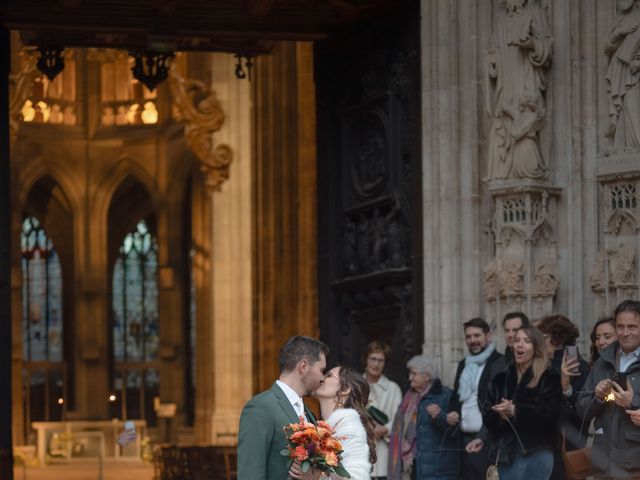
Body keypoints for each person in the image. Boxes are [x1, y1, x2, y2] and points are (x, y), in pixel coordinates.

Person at [237, 336, 329, 480]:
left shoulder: (308, 412)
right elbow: (250, 474)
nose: (323, 378)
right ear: (303, 366)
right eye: (322, 370)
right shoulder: (260, 408)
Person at [484, 0, 553, 181]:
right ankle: (507, 173)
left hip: (526, 79)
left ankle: (528, 171)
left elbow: (547, 48)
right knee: (506, 118)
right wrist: (493, 61)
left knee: (526, 122)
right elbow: (494, 53)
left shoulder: (534, 13)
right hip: (506, 84)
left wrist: (531, 44)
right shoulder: (501, 22)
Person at [482, 326, 562, 480]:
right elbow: (487, 416)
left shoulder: (549, 376)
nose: (519, 344)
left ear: (536, 347)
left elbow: (550, 415)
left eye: (526, 341)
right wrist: (501, 417)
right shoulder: (500, 379)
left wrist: (516, 410)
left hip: (537, 452)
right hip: (506, 455)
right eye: (517, 340)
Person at [576, 300, 640, 479]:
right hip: (604, 463)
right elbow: (582, 410)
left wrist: (632, 403)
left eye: (632, 326)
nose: (625, 332)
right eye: (620, 326)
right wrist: (598, 397)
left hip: (635, 466)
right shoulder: (603, 361)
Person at [290, 365, 376, 480]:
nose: (321, 378)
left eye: (329, 375)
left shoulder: (349, 427)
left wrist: (317, 477)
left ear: (345, 390)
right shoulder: (324, 425)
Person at [446, 317, 504, 479]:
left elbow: (498, 402)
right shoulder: (464, 364)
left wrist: (483, 436)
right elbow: (456, 397)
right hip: (463, 438)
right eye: (469, 337)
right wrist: (452, 412)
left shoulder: (499, 362)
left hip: (487, 440)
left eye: (477, 335)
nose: (473, 340)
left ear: (488, 336)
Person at [537, 314, 591, 480]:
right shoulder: (546, 364)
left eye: (544, 337)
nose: (541, 341)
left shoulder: (571, 364)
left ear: (557, 338)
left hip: (564, 442)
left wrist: (565, 387)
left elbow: (580, 408)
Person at [388, 355, 457, 480]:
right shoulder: (408, 397)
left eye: (414, 374)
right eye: (410, 374)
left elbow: (454, 432)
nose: (410, 378)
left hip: (438, 470)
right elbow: (399, 431)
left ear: (427, 376)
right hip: (413, 466)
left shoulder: (446, 395)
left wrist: (440, 416)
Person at [363, 341, 402, 480]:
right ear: (366, 360)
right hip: (362, 448)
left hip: (385, 449)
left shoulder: (393, 388)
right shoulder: (355, 386)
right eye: (373, 359)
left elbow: (399, 417)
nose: (376, 364)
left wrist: (385, 429)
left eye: (381, 360)